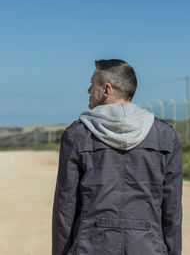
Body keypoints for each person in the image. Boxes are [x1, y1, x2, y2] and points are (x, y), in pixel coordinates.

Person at [52, 59, 182, 255]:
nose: (88, 90)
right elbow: (172, 209)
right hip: (148, 247)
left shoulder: (77, 135)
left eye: (92, 84)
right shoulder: (166, 136)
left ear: (106, 89)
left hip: (91, 246)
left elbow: (65, 208)